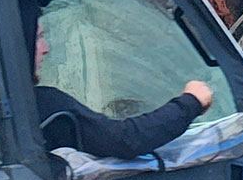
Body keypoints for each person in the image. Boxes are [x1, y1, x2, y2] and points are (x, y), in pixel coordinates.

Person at [33, 24, 214, 160]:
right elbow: (123, 140)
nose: (46, 48)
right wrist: (190, 103)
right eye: (38, 38)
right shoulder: (38, 105)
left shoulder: (24, 106)